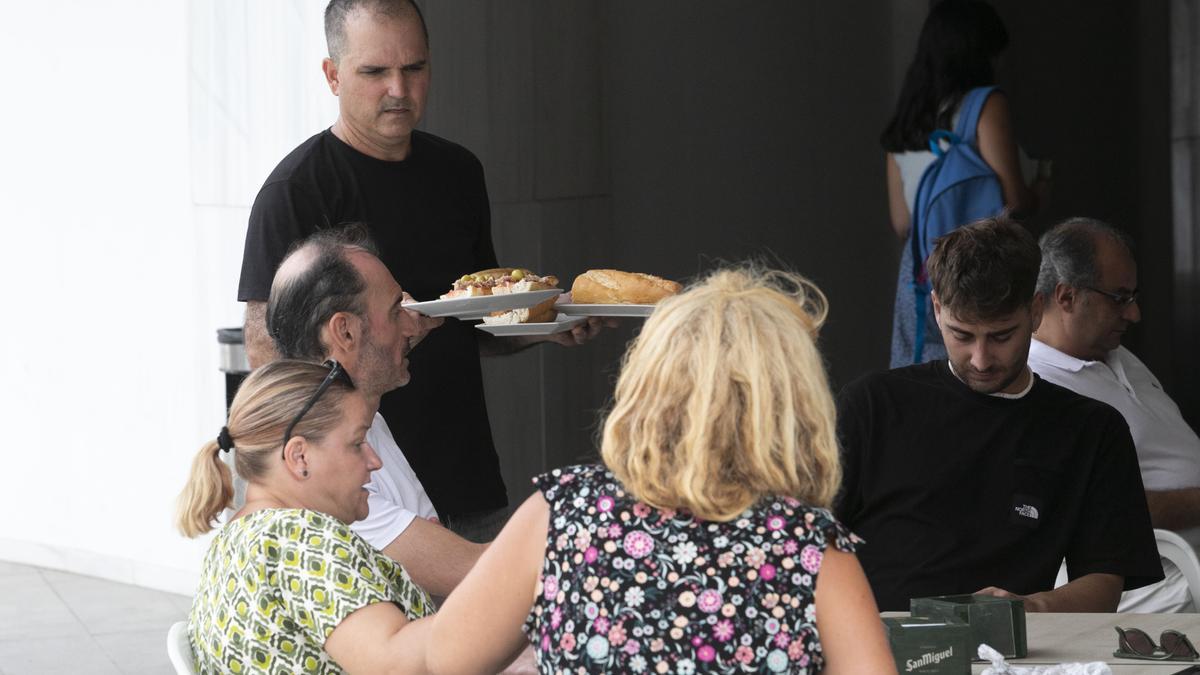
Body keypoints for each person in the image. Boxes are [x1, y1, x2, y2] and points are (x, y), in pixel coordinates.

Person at [237, 0, 605, 542]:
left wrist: (547, 325)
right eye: (374, 72)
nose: (399, 90)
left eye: (414, 68)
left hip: (467, 475)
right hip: (363, 494)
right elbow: (269, 356)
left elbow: (478, 321)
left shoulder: (457, 172)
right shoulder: (296, 192)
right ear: (333, 75)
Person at [423, 267, 897, 674]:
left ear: (646, 383)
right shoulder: (811, 548)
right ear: (794, 406)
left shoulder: (562, 515)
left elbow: (441, 659)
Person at [836, 216, 1162, 612]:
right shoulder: (872, 406)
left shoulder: (1091, 429)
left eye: (1001, 336)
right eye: (961, 335)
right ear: (937, 308)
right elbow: (805, 542)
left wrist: (1032, 608)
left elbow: (1105, 581)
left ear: (1036, 311)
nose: (981, 359)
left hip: (1014, 659)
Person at [268, 225, 486, 599]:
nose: (411, 323)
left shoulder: (357, 421)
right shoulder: (323, 461)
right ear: (345, 333)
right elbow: (476, 576)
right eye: (396, 310)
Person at [176, 360, 433, 673]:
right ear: (299, 457)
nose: (374, 461)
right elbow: (398, 666)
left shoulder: (237, 536)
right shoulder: (301, 538)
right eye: (357, 443)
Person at [1031, 217, 1200, 612]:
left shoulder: (1114, 353)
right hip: (1157, 574)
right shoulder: (1040, 386)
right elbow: (1106, 510)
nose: (1135, 314)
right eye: (1120, 298)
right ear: (1067, 297)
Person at [881, 0, 1046, 368]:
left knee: (923, 378)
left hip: (922, 271)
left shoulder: (904, 123)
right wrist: (1042, 186)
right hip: (984, 264)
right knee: (987, 366)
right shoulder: (985, 104)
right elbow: (1013, 200)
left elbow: (901, 222)